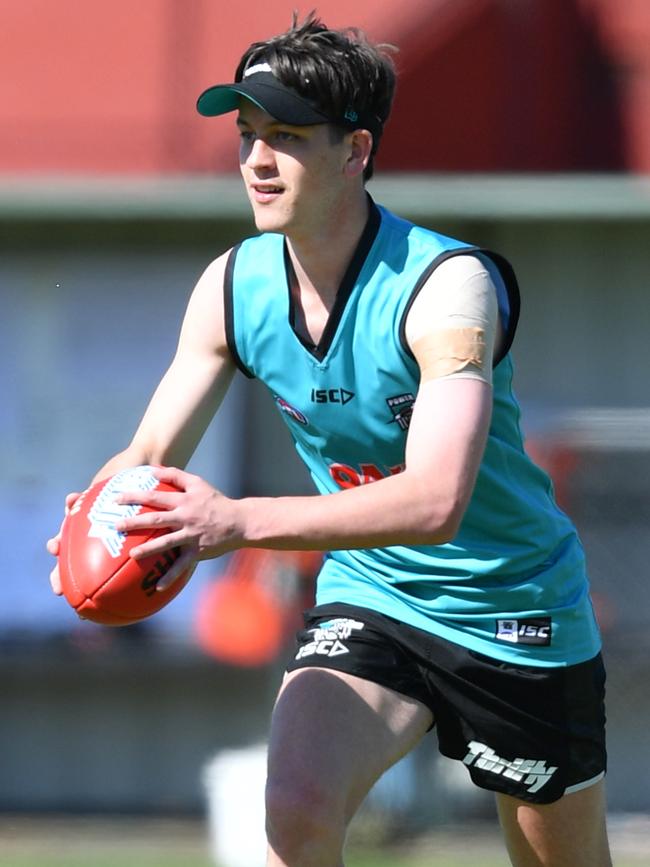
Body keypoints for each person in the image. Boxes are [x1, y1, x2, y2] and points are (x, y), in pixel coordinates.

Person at [48, 13, 611, 867]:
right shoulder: (234, 285)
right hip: (375, 594)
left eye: (285, 137)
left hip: (513, 608)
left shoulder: (447, 288)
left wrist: (234, 522)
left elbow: (435, 501)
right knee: (296, 811)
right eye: (246, 136)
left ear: (355, 151)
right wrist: (101, 515)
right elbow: (150, 452)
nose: (256, 162)